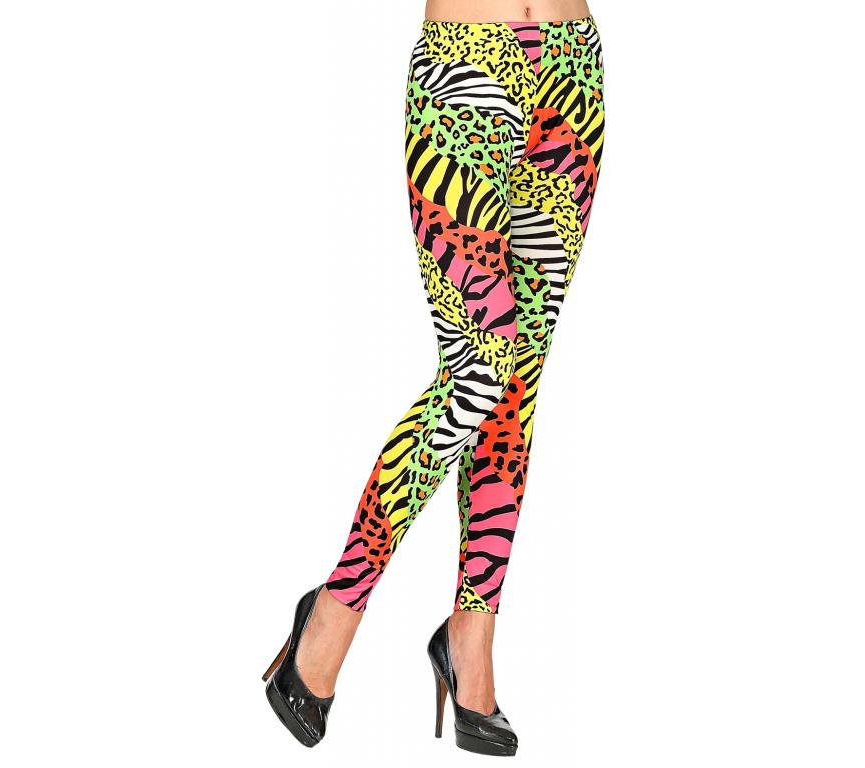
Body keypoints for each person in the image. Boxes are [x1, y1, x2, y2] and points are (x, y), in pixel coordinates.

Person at [262, 0, 603, 755]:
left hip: (574, 66)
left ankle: (470, 641)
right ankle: (334, 608)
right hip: (465, 70)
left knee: (517, 378)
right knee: (480, 365)